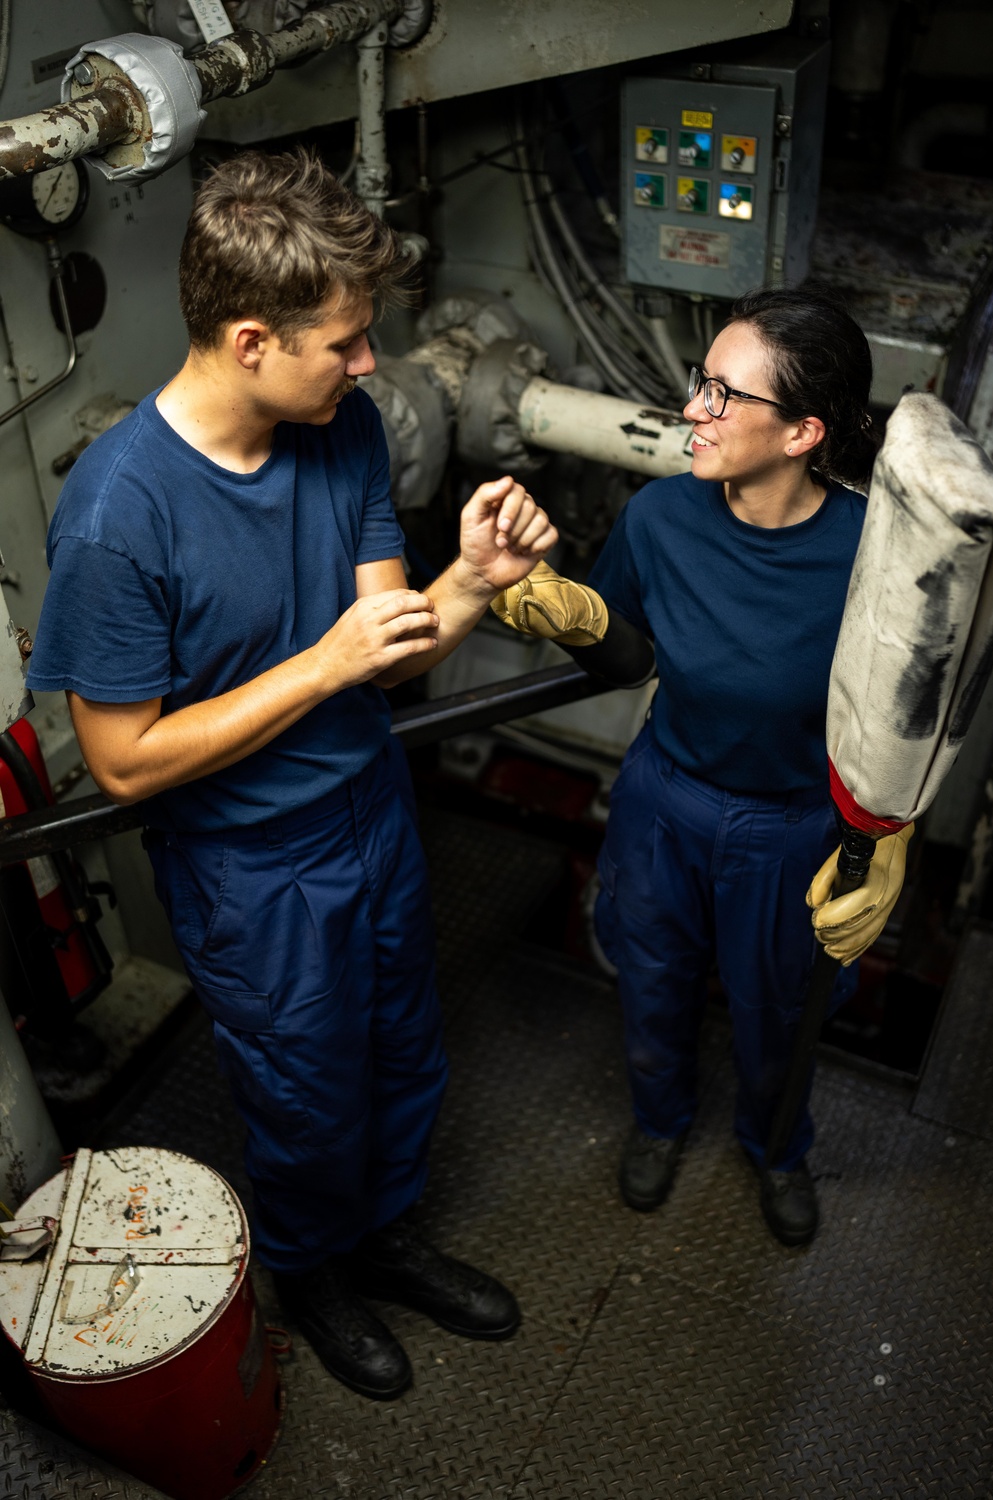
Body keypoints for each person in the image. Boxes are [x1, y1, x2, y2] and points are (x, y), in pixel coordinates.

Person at [26, 149, 558, 1398]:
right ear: (252, 339)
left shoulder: (342, 426)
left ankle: (385, 1235)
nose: (369, 365)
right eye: (347, 342)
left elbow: (387, 648)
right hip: (252, 864)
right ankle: (314, 1268)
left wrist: (471, 582)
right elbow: (118, 765)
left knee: (401, 1047)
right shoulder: (120, 515)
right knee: (307, 1086)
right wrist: (320, 669)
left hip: (370, 807)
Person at [493, 287, 911, 1247]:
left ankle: (777, 1148)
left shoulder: (871, 554)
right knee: (651, 976)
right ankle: (659, 1123)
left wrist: (889, 834)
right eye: (700, 384)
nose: (693, 410)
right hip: (665, 799)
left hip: (793, 825)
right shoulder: (660, 518)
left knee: (781, 1008)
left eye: (725, 395)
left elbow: (905, 712)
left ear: (804, 431)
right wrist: (560, 606)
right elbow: (632, 654)